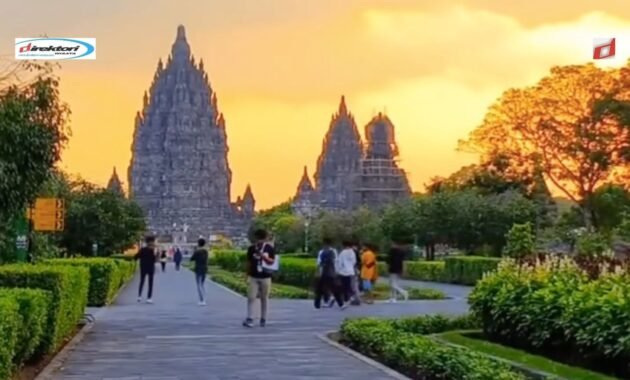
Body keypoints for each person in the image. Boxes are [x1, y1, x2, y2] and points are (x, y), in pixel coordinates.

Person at [243, 229, 276, 328]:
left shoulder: (269, 248)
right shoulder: (251, 249)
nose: (260, 241)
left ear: (265, 239)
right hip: (254, 276)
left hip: (265, 276)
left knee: (264, 298)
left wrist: (263, 256)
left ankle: (263, 318)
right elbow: (248, 262)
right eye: (258, 239)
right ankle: (250, 318)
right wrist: (247, 274)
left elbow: (272, 261)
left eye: (262, 239)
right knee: (251, 297)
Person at [314, 238, 345, 309]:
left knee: (319, 289)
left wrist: (317, 272)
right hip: (331, 273)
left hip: (323, 273)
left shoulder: (322, 252)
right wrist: (337, 271)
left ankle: (317, 304)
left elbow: (319, 263)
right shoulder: (333, 252)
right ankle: (341, 304)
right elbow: (336, 262)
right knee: (334, 289)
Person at [135, 236, 157, 303]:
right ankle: (149, 298)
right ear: (152, 242)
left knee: (142, 281)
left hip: (143, 267)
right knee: (150, 283)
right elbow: (154, 260)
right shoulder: (153, 250)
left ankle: (139, 296)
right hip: (151, 268)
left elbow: (136, 257)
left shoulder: (142, 249)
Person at [337, 240, 357, 304]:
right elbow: (354, 262)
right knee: (349, 285)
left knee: (344, 285)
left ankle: (346, 299)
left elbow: (340, 262)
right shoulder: (352, 252)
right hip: (351, 271)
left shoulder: (343, 252)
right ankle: (351, 296)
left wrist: (338, 270)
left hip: (344, 272)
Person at [190, 239, 209, 305]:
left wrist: (194, 251)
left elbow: (191, 259)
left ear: (198, 244)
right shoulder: (206, 251)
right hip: (204, 268)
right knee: (202, 284)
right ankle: (204, 298)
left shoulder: (197, 251)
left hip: (198, 269)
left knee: (199, 285)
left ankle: (202, 300)